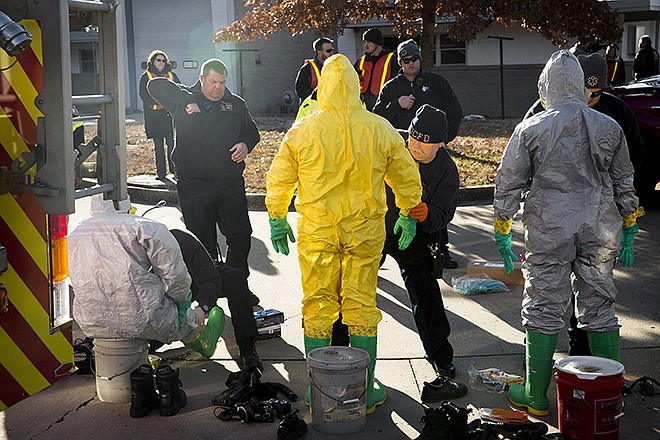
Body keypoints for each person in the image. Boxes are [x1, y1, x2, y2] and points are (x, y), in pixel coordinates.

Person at [265, 54, 422, 414]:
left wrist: (277, 216)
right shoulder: (379, 127)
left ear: (323, 88)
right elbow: (404, 171)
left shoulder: (303, 129)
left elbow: (280, 176)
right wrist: (409, 211)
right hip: (364, 232)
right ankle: (364, 390)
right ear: (354, 87)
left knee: (318, 304)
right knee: (362, 304)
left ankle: (319, 390)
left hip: (319, 231)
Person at [494, 50, 642, 416]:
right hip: (599, 225)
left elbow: (509, 181)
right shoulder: (609, 125)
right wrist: (630, 222)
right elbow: (625, 179)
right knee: (600, 304)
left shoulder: (531, 127)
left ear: (546, 86)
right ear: (579, 84)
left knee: (544, 305)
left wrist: (502, 225)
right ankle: (609, 391)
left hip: (549, 227)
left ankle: (536, 395)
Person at [147, 58, 261, 305]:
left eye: (222, 82)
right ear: (202, 79)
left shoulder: (235, 103)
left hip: (229, 182)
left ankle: (237, 285)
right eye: (212, 82)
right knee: (201, 242)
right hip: (194, 184)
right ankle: (205, 294)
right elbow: (154, 86)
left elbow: (252, 132)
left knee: (240, 236)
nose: (217, 88)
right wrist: (185, 99)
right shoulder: (185, 98)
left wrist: (245, 144)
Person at [68, 194, 226, 359]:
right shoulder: (145, 229)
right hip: (146, 318)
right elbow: (175, 277)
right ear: (125, 203)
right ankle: (201, 337)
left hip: (93, 320)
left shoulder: (75, 235)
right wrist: (183, 303)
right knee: (180, 320)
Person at [382, 104, 468, 403]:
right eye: (413, 136)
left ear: (441, 143)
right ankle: (340, 348)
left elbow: (444, 213)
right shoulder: (394, 144)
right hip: (378, 228)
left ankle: (440, 355)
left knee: (426, 293)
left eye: (423, 141)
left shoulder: (446, 170)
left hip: (416, 236)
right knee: (355, 289)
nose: (414, 144)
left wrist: (425, 213)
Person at [374, 39, 463, 269]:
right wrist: (396, 104)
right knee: (393, 202)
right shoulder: (391, 87)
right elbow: (376, 119)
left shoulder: (436, 83)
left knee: (429, 202)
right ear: (400, 62)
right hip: (401, 151)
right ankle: (380, 251)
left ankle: (439, 251)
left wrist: (440, 142)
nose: (412, 63)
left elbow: (455, 111)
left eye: (415, 58)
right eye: (406, 60)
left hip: (432, 154)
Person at [138, 50, 181, 180]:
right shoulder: (146, 76)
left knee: (172, 144)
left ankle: (175, 171)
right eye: (158, 60)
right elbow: (143, 94)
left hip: (169, 116)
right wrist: (159, 103)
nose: (161, 63)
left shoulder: (171, 75)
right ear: (152, 62)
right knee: (158, 146)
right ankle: (161, 173)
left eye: (163, 60)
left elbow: (180, 90)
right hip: (154, 117)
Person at [354, 28, 398, 111]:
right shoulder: (361, 61)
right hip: (365, 107)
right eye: (365, 42)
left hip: (384, 106)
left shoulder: (392, 59)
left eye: (369, 42)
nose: (365, 45)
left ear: (377, 43)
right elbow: (353, 79)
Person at [294, 37, 334, 103]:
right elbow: (300, 90)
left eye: (332, 50)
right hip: (313, 110)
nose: (332, 53)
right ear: (319, 52)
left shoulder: (335, 68)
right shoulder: (307, 68)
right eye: (328, 51)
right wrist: (317, 94)